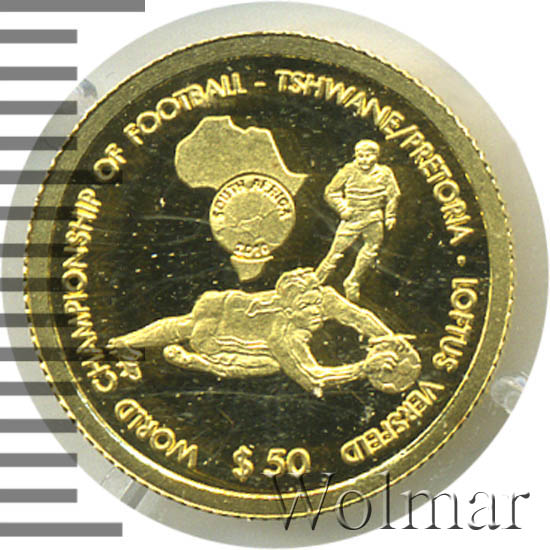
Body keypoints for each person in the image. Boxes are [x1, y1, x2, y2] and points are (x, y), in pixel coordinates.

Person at [108, 268, 401, 398]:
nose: (316, 312)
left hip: (228, 304)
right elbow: (314, 378)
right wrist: (363, 368)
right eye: (306, 308)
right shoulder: (282, 334)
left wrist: (387, 337)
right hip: (217, 338)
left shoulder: (321, 296)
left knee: (183, 325)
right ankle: (195, 362)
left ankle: (124, 344)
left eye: (316, 304)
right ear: (288, 308)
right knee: (270, 364)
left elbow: (358, 316)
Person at [315, 139, 401, 302]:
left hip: (374, 217)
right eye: (360, 156)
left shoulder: (385, 172)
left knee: (372, 248)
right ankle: (316, 282)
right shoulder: (349, 170)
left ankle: (353, 281)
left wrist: (390, 215)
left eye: (368, 156)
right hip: (353, 218)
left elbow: (393, 195)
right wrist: (343, 208)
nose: (364, 160)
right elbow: (331, 191)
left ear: (376, 156)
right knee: (336, 252)